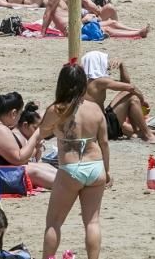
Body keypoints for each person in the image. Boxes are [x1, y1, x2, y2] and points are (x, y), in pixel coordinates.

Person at [39, 63, 110, 259]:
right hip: (96, 166)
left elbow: (42, 131)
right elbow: (104, 142)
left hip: (70, 167)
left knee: (54, 222)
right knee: (92, 222)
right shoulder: (95, 108)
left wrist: (56, 129)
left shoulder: (56, 109)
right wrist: (108, 170)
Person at [81, 51, 155, 143]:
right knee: (133, 98)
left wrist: (121, 65)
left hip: (93, 126)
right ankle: (149, 135)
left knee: (126, 95)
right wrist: (142, 100)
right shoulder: (99, 81)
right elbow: (130, 87)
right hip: (102, 128)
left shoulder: (83, 82)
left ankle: (139, 132)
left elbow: (125, 85)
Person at [0, 92, 48, 188]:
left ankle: (67, 182)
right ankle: (67, 185)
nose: (19, 118)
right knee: (34, 171)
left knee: (43, 167)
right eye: (20, 114)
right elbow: (19, 159)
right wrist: (36, 136)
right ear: (13, 113)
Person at [41, 0, 148, 38]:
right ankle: (137, 33)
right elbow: (47, 14)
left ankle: (137, 30)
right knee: (107, 29)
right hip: (71, 29)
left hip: (76, 26)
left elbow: (52, 15)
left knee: (112, 22)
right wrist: (42, 33)